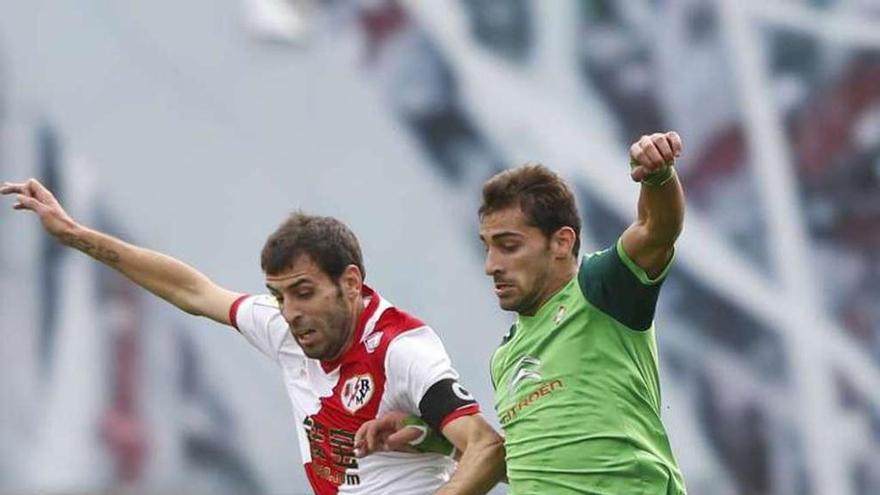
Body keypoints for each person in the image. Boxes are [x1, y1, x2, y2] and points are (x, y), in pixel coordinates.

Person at [1, 179, 505, 495]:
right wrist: (76, 236)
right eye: (279, 295)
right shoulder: (283, 325)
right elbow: (190, 289)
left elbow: (485, 448)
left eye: (303, 292)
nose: (290, 312)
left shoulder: (402, 348)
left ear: (350, 283)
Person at [358, 131, 688, 494]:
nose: (491, 265)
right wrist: (432, 440)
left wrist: (657, 176)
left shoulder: (599, 289)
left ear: (562, 242)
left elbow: (656, 229)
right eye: (487, 247)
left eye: (508, 246)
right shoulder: (506, 356)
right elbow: (535, 466)